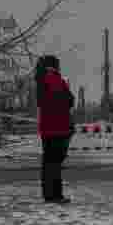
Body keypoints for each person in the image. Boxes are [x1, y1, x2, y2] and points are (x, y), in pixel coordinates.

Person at [36, 55, 76, 203]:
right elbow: (68, 100)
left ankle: (49, 194)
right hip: (58, 126)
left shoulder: (40, 79)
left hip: (47, 126)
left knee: (49, 162)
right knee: (55, 162)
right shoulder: (53, 79)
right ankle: (55, 195)